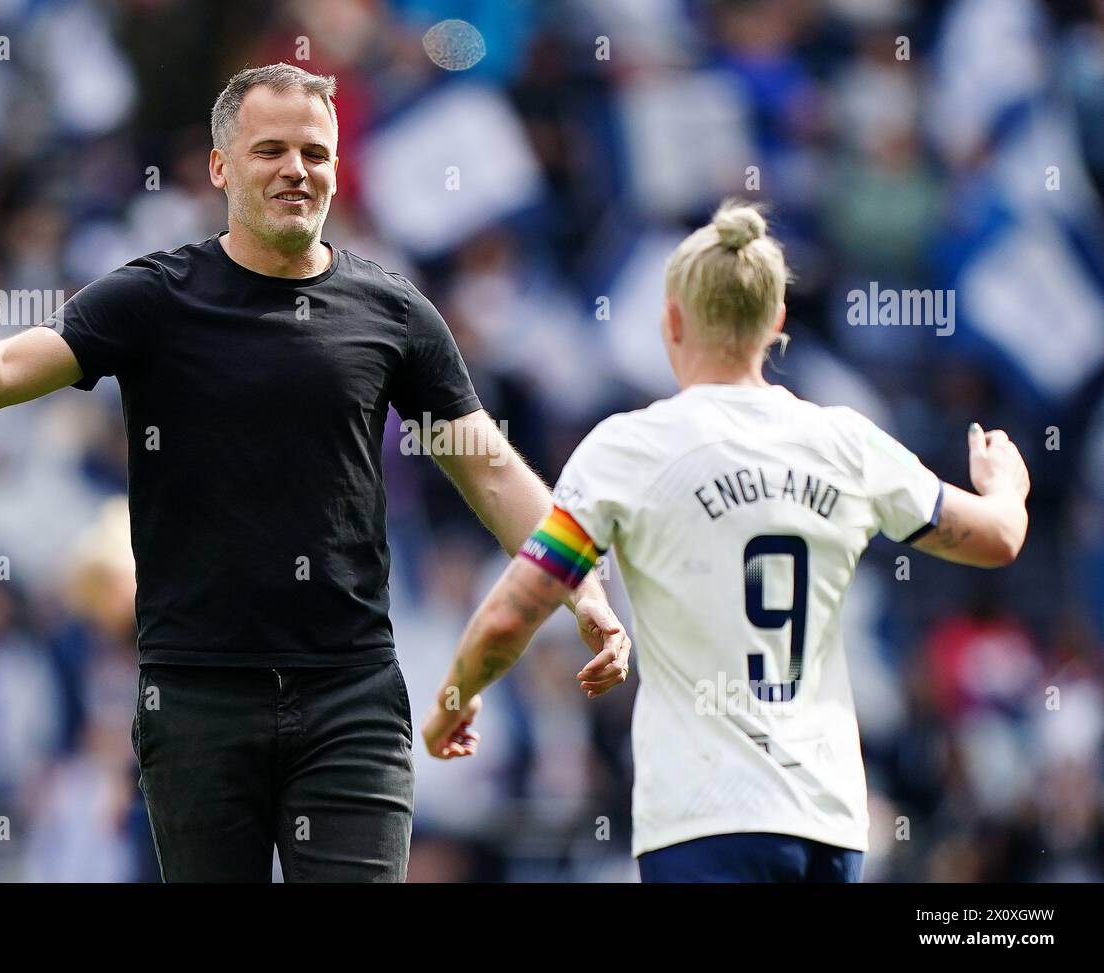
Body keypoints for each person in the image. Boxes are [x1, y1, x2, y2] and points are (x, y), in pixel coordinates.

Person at [0, 62, 631, 882]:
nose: (296, 170)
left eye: (315, 154)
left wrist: (584, 587)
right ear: (220, 166)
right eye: (271, 150)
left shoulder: (392, 310)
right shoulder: (152, 298)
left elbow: (491, 473)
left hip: (351, 695)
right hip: (196, 697)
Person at [421, 200, 1031, 883]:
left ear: (672, 321)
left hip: (703, 818)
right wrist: (1005, 482)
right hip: (826, 823)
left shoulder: (629, 449)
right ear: (775, 322)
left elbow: (515, 610)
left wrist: (457, 693)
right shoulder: (849, 443)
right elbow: (999, 536)